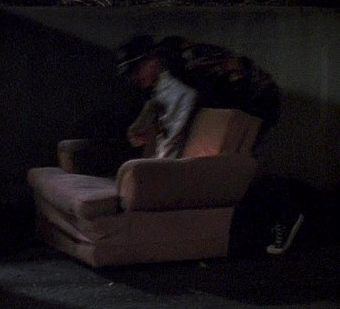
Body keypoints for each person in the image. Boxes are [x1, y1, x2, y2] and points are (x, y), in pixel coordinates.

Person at [116, 35, 305, 256]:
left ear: (151, 58)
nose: (134, 78)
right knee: (221, 165)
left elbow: (174, 124)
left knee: (230, 166)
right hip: (234, 95)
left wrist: (161, 168)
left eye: (136, 70)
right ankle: (274, 213)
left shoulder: (176, 69)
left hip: (253, 97)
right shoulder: (169, 64)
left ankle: (285, 213)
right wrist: (143, 123)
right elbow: (161, 102)